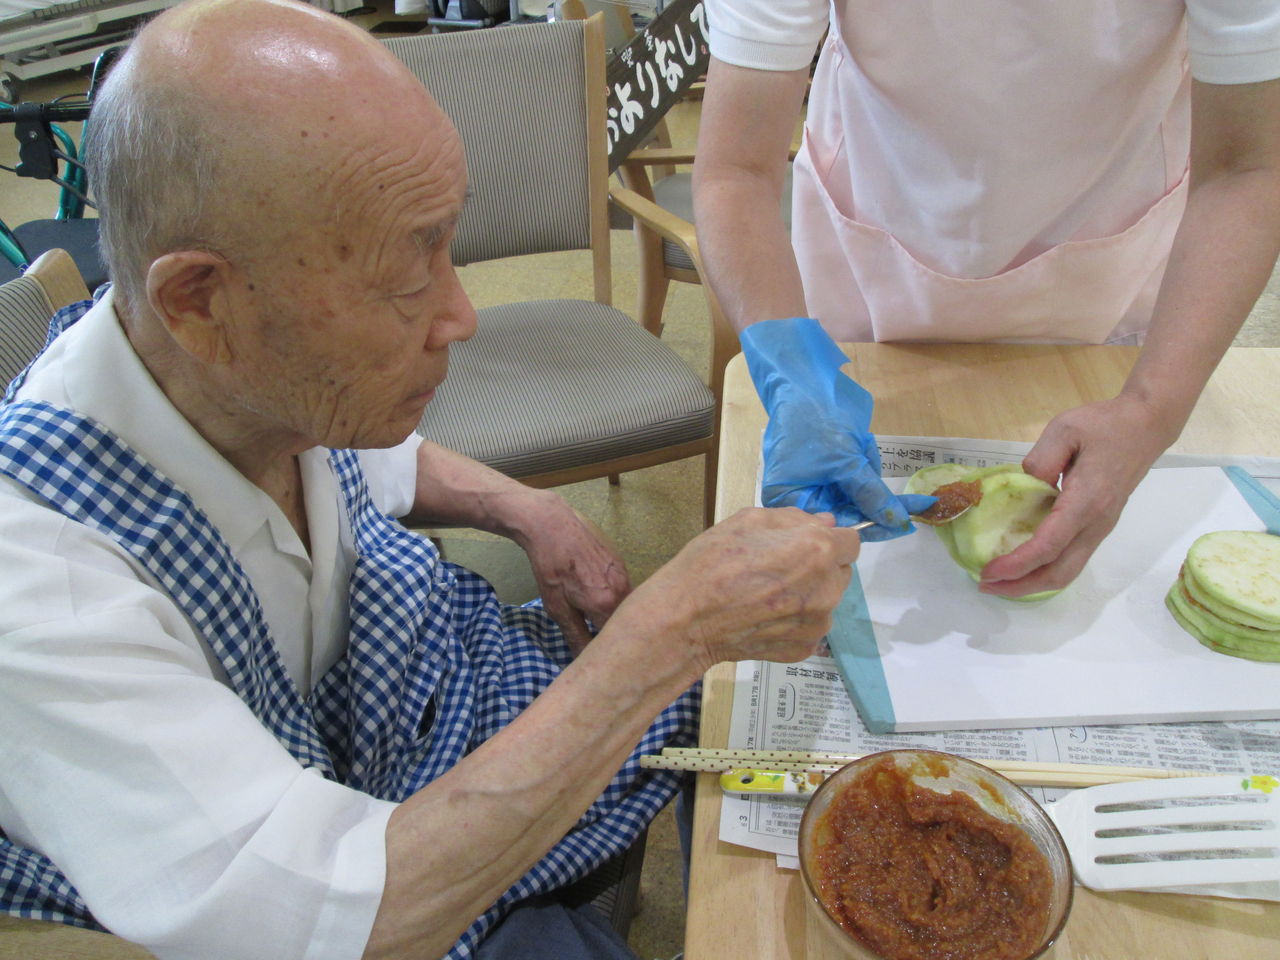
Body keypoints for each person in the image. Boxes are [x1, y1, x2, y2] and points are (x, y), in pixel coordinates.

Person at [0, 1, 863, 957]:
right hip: (357, 889)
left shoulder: (238, 369)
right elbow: (338, 920)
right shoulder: (44, 599)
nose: (463, 316)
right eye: (407, 279)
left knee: (762, 727)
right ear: (199, 300)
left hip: (417, 697)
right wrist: (676, 630)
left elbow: (382, 459)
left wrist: (527, 509)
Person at [692, 2, 1280, 596]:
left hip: (1110, 245)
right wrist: (793, 375)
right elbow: (736, 168)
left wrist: (1151, 408)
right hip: (874, 230)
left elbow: (1248, 170)